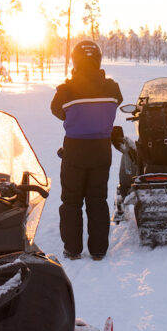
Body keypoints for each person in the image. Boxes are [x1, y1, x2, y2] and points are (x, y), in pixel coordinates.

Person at [50, 40, 123, 260]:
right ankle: (99, 250)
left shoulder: (66, 90)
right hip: (102, 150)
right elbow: (117, 101)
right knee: (97, 200)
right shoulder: (112, 87)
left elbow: (57, 111)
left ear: (76, 60)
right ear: (98, 59)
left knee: (71, 201)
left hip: (74, 149)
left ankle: (72, 249)